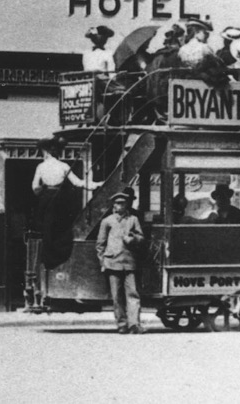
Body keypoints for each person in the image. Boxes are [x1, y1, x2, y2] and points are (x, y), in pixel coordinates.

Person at [32, 136, 103, 269]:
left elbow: (35, 188)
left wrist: (43, 190)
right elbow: (79, 183)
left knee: (46, 228)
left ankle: (48, 260)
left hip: (46, 199)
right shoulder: (64, 166)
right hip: (60, 199)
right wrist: (97, 184)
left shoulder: (41, 166)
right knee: (62, 227)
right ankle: (60, 256)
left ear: (46, 152)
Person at [96, 192, 146, 334]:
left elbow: (141, 237)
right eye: (117, 203)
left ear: (127, 205)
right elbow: (100, 244)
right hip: (112, 262)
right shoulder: (107, 221)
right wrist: (103, 262)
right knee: (117, 296)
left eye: (123, 203)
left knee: (133, 294)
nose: (120, 206)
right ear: (113, 205)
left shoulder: (133, 219)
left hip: (129, 261)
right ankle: (122, 324)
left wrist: (134, 239)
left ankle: (134, 324)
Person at [145, 24, 185, 124]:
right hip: (168, 95)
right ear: (179, 39)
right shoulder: (177, 54)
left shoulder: (158, 55)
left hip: (154, 95)